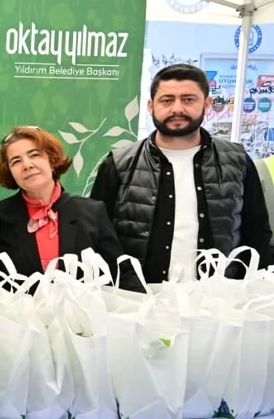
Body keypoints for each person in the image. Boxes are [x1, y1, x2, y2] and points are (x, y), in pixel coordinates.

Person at [92, 63, 272, 282]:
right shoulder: (119, 164)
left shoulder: (237, 161)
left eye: (188, 99)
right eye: (167, 100)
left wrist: (250, 288)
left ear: (207, 103)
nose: (177, 109)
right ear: (151, 106)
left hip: (218, 295)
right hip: (138, 296)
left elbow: (257, 231)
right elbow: (98, 236)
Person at [0, 126, 123, 279]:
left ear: (52, 160)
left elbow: (121, 273)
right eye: (16, 161)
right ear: (9, 172)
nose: (27, 165)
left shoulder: (92, 212)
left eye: (34, 155)